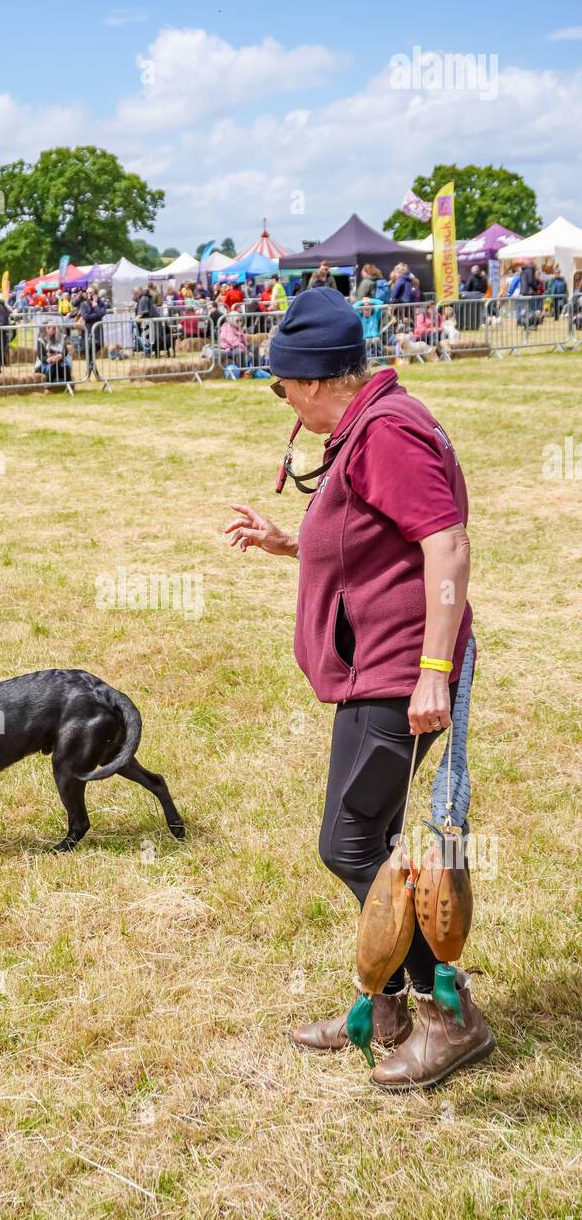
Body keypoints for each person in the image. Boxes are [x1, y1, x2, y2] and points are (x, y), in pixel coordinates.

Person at [225, 287, 493, 1089]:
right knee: (365, 842)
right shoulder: (371, 421)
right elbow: (368, 541)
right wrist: (286, 545)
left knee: (351, 843)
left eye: (280, 388)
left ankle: (450, 1017)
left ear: (310, 381)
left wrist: (435, 671)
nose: (284, 403)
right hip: (378, 667)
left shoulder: (386, 431)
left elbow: (446, 544)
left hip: (400, 671)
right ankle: (381, 1007)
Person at [35, 322, 72, 390]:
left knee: (66, 367)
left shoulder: (62, 338)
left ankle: (70, 387)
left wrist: (60, 356)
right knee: (53, 367)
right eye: (49, 328)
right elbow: (40, 356)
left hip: (60, 362)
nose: (51, 329)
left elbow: (65, 351)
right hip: (46, 364)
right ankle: (47, 388)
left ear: (57, 329)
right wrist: (48, 359)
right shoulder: (40, 340)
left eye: (54, 328)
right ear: (46, 329)